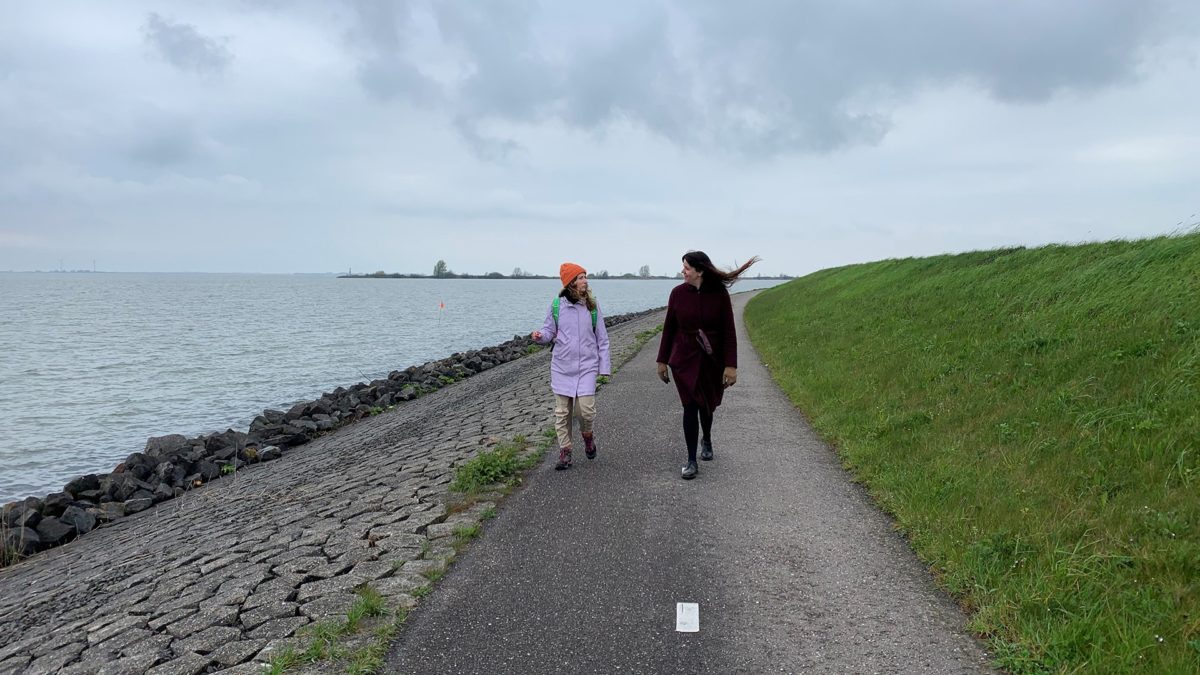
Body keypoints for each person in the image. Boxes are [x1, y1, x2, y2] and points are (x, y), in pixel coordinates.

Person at [656, 251, 760, 479]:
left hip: (712, 359)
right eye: (683, 267)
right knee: (690, 406)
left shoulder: (719, 294)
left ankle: (708, 438)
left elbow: (729, 332)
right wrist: (662, 361)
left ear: (699, 271)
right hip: (684, 359)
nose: (683, 271)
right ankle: (691, 460)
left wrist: (730, 366)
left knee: (707, 405)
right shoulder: (677, 294)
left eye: (687, 268)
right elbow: (669, 329)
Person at [531, 263, 611, 470]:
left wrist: (604, 367)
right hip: (562, 367)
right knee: (562, 413)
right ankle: (565, 452)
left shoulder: (592, 307)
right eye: (581, 277)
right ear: (571, 282)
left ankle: (588, 436)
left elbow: (602, 339)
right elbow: (549, 331)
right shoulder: (557, 306)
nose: (585, 280)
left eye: (585, 276)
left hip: (587, 366)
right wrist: (540, 337)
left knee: (585, 411)